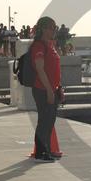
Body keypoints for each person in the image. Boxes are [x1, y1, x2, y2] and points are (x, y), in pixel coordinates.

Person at [30, 16, 63, 163]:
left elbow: (54, 69)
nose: (54, 31)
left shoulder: (50, 45)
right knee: (44, 121)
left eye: (55, 28)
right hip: (42, 89)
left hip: (52, 89)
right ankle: (40, 153)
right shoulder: (39, 46)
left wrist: (58, 88)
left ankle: (47, 150)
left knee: (50, 121)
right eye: (51, 28)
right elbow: (40, 69)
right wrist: (49, 90)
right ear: (43, 29)